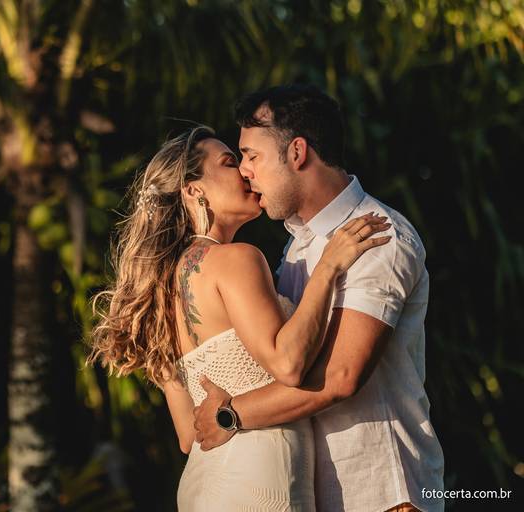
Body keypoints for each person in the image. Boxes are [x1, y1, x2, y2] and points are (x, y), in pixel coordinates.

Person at [88, 122, 391, 510]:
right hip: (262, 475)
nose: (247, 171)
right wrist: (328, 268)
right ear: (194, 190)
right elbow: (288, 364)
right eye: (231, 162)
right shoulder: (237, 259)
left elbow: (187, 435)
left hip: (204, 483)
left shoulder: (157, 293)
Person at [192, 84, 445, 512]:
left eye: (252, 156)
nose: (245, 172)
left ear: (296, 152)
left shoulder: (377, 235)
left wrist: (231, 416)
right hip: (316, 494)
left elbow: (341, 374)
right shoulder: (297, 248)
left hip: (383, 493)